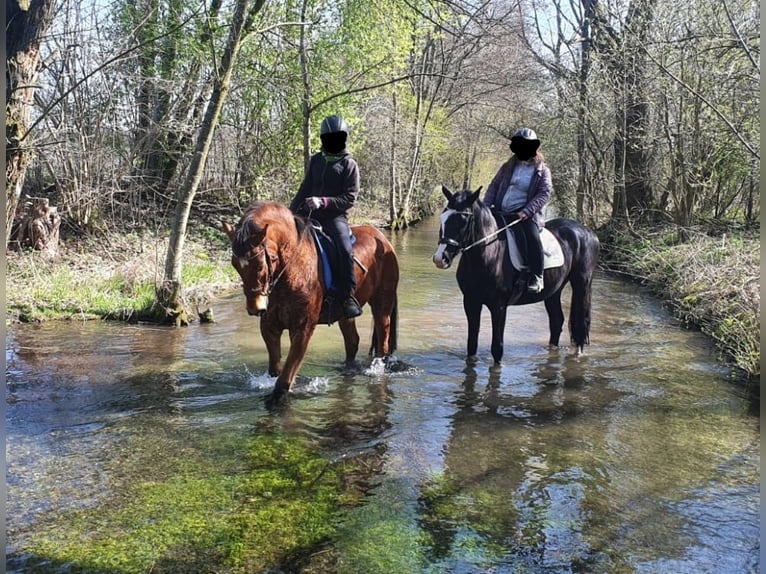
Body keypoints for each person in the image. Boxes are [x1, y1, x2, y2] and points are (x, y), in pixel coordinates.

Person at [289, 114, 363, 319]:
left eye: (338, 137)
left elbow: (349, 198)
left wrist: (324, 201)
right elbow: (305, 188)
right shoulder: (316, 160)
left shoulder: (349, 165)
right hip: (308, 213)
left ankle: (347, 296)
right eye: (330, 138)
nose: (334, 141)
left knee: (345, 250)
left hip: (334, 217)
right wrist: (290, 212)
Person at [483, 127, 552, 293]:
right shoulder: (507, 167)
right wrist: (485, 207)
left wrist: (527, 212)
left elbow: (544, 193)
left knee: (532, 238)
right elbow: (494, 186)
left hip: (525, 215)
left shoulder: (542, 171)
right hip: (501, 211)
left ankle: (537, 275)